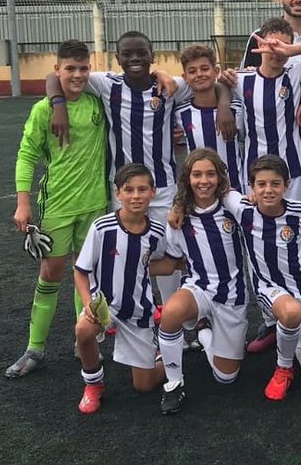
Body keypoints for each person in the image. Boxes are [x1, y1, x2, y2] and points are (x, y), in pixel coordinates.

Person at [45, 30, 233, 308]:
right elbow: (54, 77)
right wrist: (58, 104)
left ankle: (171, 318)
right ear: (117, 58)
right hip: (123, 189)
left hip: (163, 188)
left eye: (141, 53)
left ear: (152, 56)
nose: (135, 59)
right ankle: (128, 312)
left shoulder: (169, 86)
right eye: (128, 54)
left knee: (169, 251)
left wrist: (225, 105)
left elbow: (214, 84)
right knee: (124, 250)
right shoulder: (106, 84)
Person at [6, 40, 108, 379]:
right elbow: (26, 154)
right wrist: (23, 202)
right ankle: (34, 348)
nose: (78, 75)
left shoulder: (97, 103)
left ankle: (84, 342)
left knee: (87, 274)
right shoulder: (43, 110)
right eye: (70, 69)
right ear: (57, 70)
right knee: (51, 273)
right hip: (58, 205)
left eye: (83, 68)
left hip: (95, 204)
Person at [155, 149, 248, 416]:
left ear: (220, 178)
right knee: (171, 312)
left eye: (210, 174)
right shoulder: (178, 218)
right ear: (187, 178)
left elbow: (250, 207)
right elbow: (172, 261)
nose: (204, 181)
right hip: (198, 287)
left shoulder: (232, 206)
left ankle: (203, 331)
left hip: (232, 295)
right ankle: (174, 383)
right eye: (197, 175)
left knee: (226, 377)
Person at [72, 163, 169, 414]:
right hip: (105, 306)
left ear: (153, 192)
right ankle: (93, 384)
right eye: (129, 190)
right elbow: (80, 271)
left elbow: (156, 263)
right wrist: (87, 303)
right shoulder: (102, 228)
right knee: (83, 329)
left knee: (144, 386)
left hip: (138, 309)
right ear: (118, 193)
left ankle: (166, 359)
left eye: (142, 189)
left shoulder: (157, 232)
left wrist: (183, 262)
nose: (136, 196)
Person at [232, 154, 301, 400]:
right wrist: (178, 206)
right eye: (261, 184)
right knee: (291, 311)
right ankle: (284, 367)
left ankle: (287, 333)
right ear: (251, 186)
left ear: (287, 185)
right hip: (270, 287)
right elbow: (218, 188)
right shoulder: (243, 209)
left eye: (275, 184)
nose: (268, 190)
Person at [230, 17, 301, 203]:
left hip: (293, 172)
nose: (277, 51)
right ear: (260, 44)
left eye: (283, 45)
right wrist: (224, 102)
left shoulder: (298, 74)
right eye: (272, 45)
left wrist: (291, 50)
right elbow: (216, 86)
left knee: (295, 220)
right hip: (255, 174)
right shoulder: (240, 80)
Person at [173, 44, 246, 193]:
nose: (199, 74)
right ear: (185, 78)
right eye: (192, 71)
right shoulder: (180, 113)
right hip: (200, 191)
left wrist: (224, 105)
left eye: (205, 69)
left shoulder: (236, 109)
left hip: (235, 189)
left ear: (216, 72)